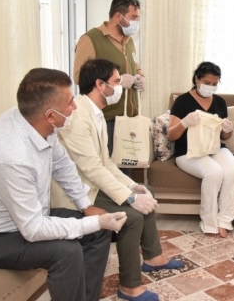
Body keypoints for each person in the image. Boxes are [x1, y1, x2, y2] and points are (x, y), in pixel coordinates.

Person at [0, 68, 128, 301]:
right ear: (51, 115)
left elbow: (62, 164)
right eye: (70, 102)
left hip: (23, 219)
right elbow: (34, 229)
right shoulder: (12, 157)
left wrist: (85, 206)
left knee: (98, 231)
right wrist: (93, 222)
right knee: (66, 252)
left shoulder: (33, 122)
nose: (75, 107)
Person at [51, 59, 184, 301]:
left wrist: (132, 186)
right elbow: (92, 168)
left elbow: (107, 162)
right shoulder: (78, 117)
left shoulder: (95, 113)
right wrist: (129, 198)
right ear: (100, 85)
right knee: (131, 217)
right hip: (77, 194)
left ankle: (153, 257)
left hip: (92, 184)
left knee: (146, 190)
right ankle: (129, 287)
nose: (120, 87)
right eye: (116, 81)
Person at [73, 0, 146, 176]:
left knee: (125, 169)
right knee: (105, 169)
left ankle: (126, 194)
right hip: (106, 118)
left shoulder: (129, 41)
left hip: (128, 117)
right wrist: (119, 82)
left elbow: (134, 65)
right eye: (134, 17)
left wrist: (140, 77)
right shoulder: (91, 39)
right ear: (118, 16)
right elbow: (80, 77)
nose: (137, 22)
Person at [167, 61, 234, 238]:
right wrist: (185, 122)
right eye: (207, 83)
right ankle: (209, 223)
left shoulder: (220, 102)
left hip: (214, 148)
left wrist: (228, 129)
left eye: (214, 84)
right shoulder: (182, 101)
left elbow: (224, 137)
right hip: (188, 152)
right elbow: (171, 135)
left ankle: (224, 220)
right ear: (196, 79)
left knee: (232, 171)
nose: (211, 87)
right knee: (214, 173)